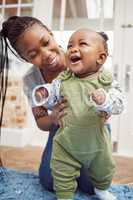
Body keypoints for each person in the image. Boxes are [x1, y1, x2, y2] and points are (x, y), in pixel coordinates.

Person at [0, 16, 124, 196]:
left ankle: (86, 171)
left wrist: (105, 104)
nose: (46, 54)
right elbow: (41, 121)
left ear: (51, 33)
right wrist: (53, 118)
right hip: (62, 129)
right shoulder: (32, 80)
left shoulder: (82, 58)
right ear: (26, 59)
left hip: (93, 129)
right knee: (50, 181)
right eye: (33, 54)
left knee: (91, 185)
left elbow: (111, 93)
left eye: (46, 42)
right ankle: (71, 169)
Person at [32, 29, 124, 200]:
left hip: (96, 140)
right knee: (60, 170)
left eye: (82, 44)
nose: (73, 49)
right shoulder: (64, 79)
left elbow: (119, 104)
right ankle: (64, 196)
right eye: (70, 46)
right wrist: (45, 93)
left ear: (101, 58)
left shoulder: (105, 80)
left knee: (103, 167)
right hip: (66, 139)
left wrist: (105, 100)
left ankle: (101, 190)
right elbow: (53, 93)